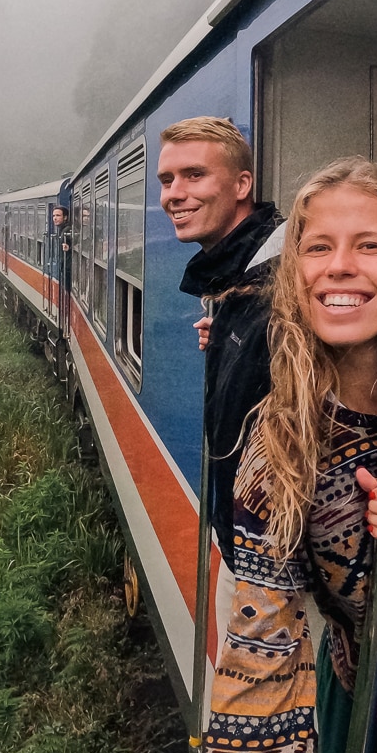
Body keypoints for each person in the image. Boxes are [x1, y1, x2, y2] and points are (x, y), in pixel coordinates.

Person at [178, 156, 377, 753]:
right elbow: (259, 653)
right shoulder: (278, 450)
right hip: (363, 694)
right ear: (294, 273)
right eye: (318, 247)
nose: (340, 266)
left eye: (370, 245)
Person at [157, 117, 284, 562]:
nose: (174, 193)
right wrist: (233, 336)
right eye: (167, 180)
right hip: (246, 541)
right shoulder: (239, 282)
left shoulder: (283, 280)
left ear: (241, 184)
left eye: (195, 175)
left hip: (275, 559)